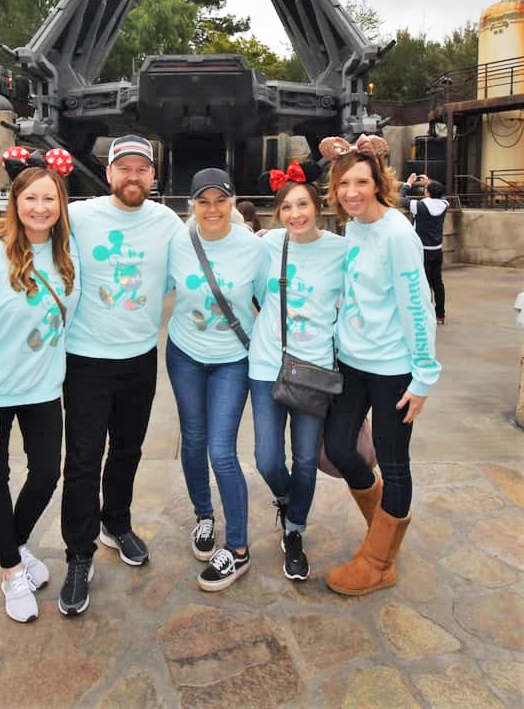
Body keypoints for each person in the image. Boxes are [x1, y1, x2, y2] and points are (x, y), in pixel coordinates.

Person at [0, 134, 184, 617]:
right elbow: (25, 223)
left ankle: (115, 523)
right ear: (108, 173)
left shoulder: (167, 222)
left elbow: (205, 247)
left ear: (152, 175)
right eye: (124, 167)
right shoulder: (77, 214)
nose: (133, 176)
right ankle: (79, 554)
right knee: (81, 460)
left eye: (142, 169)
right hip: (85, 360)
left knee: (128, 450)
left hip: (140, 356)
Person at [0, 148, 79, 623]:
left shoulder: (67, 255)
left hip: (44, 389)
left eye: (49, 199)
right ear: (15, 201)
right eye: (31, 198)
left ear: (61, 205)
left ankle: (15, 544)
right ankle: (10, 570)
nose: (40, 208)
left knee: (46, 473)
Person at [318, 134, 441, 596]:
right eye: (344, 183)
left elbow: (417, 306)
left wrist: (423, 377)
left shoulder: (397, 234)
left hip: (392, 370)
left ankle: (378, 562)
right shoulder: (353, 228)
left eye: (361, 182)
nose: (352, 192)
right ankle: (382, 534)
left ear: (378, 184)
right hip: (352, 364)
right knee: (338, 447)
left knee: (393, 464)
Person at [166, 168, 268, 591]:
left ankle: (238, 549)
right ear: (192, 205)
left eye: (220, 200)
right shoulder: (176, 241)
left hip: (233, 359)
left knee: (222, 451)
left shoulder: (253, 248)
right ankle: (204, 516)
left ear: (232, 202)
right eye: (203, 201)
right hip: (185, 354)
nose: (212, 209)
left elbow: (273, 300)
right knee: (192, 439)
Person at [248, 160, 347, 581]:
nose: (295, 214)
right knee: (267, 458)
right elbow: (253, 291)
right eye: (287, 207)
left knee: (306, 459)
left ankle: (294, 530)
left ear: (317, 206)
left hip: (314, 369)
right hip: (267, 365)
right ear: (278, 212)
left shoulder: (341, 250)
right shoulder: (268, 245)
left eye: (302, 204)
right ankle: (289, 500)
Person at [401, 173, 449, 324]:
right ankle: (440, 315)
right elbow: (441, 195)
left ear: (427, 193)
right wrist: (430, 183)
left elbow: (400, 198)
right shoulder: (444, 204)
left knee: (424, 283)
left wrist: (408, 184)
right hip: (437, 249)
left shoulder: (419, 206)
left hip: (421, 249)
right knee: (438, 282)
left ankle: (426, 315)